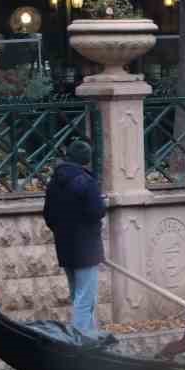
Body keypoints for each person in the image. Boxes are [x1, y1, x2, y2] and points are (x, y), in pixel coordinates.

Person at [42, 139, 107, 339]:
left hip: (65, 247)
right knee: (85, 299)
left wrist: (64, 232)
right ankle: (78, 343)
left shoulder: (54, 182)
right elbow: (97, 211)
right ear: (86, 160)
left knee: (80, 297)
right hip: (86, 249)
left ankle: (91, 337)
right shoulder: (87, 182)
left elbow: (49, 216)